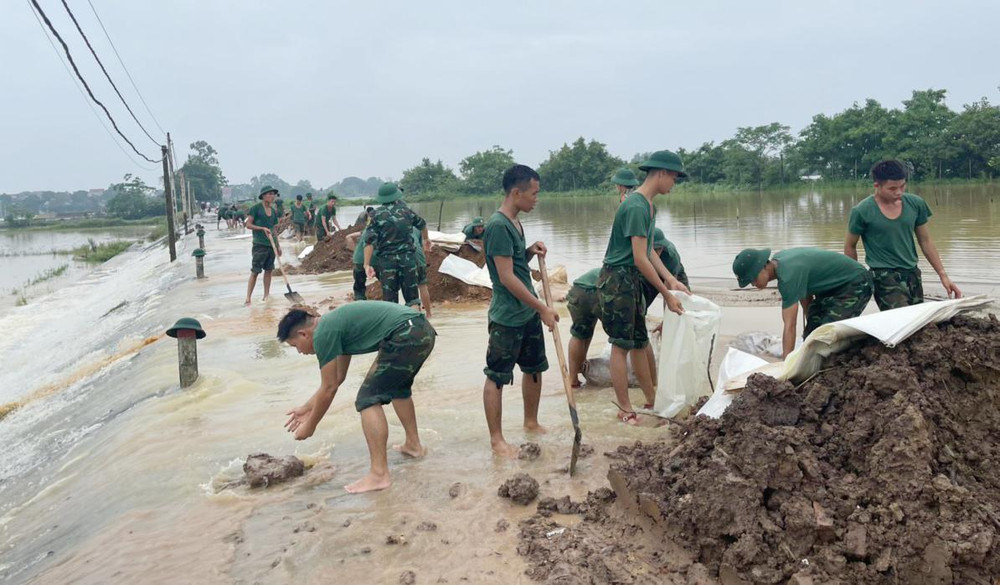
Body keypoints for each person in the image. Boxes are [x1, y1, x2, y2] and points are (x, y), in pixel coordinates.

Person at [278, 303, 435, 493]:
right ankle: (413, 446)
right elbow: (337, 379)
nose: (300, 352)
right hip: (419, 328)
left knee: (367, 399)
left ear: (303, 334)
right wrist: (306, 407)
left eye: (295, 346)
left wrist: (310, 425)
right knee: (398, 389)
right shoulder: (332, 325)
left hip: (405, 332)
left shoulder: (323, 334)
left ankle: (379, 475)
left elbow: (329, 388)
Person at [598, 151, 687, 425]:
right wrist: (666, 294)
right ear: (661, 173)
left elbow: (648, 251)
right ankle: (625, 409)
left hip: (632, 278)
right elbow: (638, 257)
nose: (673, 183)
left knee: (638, 340)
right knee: (621, 345)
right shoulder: (636, 206)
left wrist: (670, 279)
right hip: (618, 279)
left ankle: (651, 400)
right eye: (673, 177)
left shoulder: (649, 206)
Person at [481, 164, 557, 457]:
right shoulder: (498, 226)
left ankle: (531, 422)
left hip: (526, 312)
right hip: (508, 317)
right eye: (534, 193)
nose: (537, 199)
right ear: (516, 193)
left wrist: (528, 252)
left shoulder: (515, 222)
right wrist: (542, 308)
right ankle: (496, 440)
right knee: (497, 376)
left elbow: (514, 264)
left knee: (534, 368)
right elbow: (506, 277)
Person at [845, 159, 961, 310]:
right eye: (892, 188)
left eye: (902, 186)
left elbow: (925, 241)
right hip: (883, 276)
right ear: (877, 186)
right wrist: (853, 279)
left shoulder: (915, 204)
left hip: (912, 273)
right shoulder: (862, 211)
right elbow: (850, 246)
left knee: (917, 317)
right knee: (901, 317)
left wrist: (943, 275)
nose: (899, 192)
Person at [733, 247, 873, 358]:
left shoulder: (788, 277)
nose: (753, 284)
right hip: (831, 288)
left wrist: (786, 363)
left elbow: (790, 325)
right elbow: (806, 297)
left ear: (763, 266)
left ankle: (859, 351)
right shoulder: (780, 262)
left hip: (856, 282)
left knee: (827, 335)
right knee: (811, 338)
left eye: (753, 279)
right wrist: (810, 326)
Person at [363, 183, 431, 307]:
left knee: (390, 304)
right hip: (408, 259)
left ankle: (395, 320)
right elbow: (423, 225)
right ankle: (415, 319)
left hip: (387, 262)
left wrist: (366, 264)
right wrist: (426, 239)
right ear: (396, 195)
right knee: (413, 300)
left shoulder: (374, 215)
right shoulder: (406, 211)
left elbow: (368, 241)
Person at [243, 186, 282, 305]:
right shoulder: (256, 209)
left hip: (271, 245)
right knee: (255, 271)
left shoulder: (273, 211)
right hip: (259, 245)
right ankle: (248, 298)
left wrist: (278, 245)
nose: (272, 196)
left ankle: (266, 296)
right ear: (263, 196)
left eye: (273, 194)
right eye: (269, 194)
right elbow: (248, 225)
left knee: (269, 270)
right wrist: (261, 228)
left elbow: (274, 230)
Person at [412, 227, 432, 317]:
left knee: (410, 289)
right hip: (419, 258)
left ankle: (416, 316)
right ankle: (428, 314)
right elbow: (422, 246)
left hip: (407, 258)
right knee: (423, 286)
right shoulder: (417, 227)